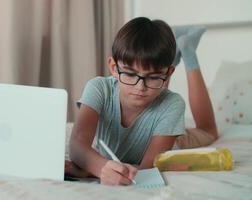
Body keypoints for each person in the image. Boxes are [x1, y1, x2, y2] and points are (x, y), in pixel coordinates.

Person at [66, 17, 218, 186]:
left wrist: (91, 169)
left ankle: (188, 51)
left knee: (209, 131)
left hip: (171, 141)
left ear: (168, 75)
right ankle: (168, 60)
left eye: (153, 77)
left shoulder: (174, 105)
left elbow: (149, 167)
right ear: (114, 68)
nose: (140, 88)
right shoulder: (99, 88)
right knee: (153, 88)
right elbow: (77, 144)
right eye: (130, 74)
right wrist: (101, 167)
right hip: (159, 106)